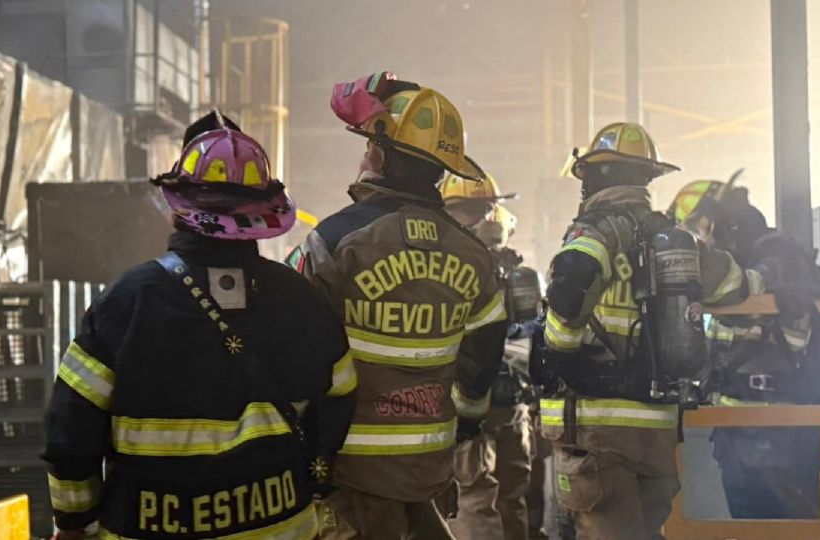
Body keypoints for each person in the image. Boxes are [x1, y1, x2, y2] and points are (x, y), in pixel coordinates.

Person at [43, 112, 356, 540]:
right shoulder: (301, 299)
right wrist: (315, 477)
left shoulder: (126, 301)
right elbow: (340, 394)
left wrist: (73, 520)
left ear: (178, 209)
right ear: (262, 215)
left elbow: (71, 426)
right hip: (278, 526)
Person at [288, 71, 508, 539]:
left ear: (383, 155)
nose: (365, 154)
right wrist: (466, 419)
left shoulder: (333, 242)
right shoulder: (474, 255)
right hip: (428, 468)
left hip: (350, 472)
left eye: (369, 145)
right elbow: (483, 357)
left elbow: (288, 351)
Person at [537, 122, 751, 540]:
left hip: (598, 428)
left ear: (596, 176)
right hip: (654, 428)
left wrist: (559, 349)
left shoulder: (594, 230)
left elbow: (570, 282)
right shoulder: (675, 240)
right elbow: (732, 283)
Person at [669, 180, 820, 519]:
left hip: (774, 423)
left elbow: (740, 289)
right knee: (751, 526)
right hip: (738, 424)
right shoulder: (747, 258)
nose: (702, 243)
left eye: (700, 231)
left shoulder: (776, 257)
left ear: (723, 223)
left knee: (785, 529)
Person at [439, 174, 541, 540]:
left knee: (480, 497)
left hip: (476, 406)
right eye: (477, 210)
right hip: (505, 402)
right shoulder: (513, 273)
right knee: (504, 497)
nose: (485, 216)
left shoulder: (445, 268)